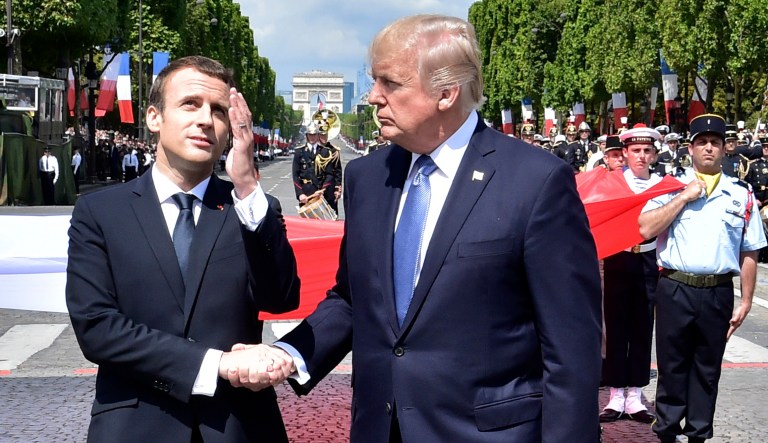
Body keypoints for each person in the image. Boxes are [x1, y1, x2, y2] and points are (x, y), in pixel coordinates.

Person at [234, 14, 602, 442]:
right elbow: (354, 299)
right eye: (374, 81)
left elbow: (571, 350)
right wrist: (289, 352)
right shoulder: (367, 178)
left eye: (390, 83)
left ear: (446, 93)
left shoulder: (536, 181)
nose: (372, 97)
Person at [65, 55, 301, 443]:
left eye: (219, 110)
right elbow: (97, 329)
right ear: (154, 118)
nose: (206, 119)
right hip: (135, 427)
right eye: (190, 104)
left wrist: (247, 188)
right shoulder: (100, 212)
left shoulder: (252, 207)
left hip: (239, 427)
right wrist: (215, 364)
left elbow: (280, 298)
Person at [639, 114, 766, 443]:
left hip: (717, 292)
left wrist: (747, 299)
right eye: (702, 142)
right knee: (671, 367)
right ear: (690, 149)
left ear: (724, 149)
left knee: (707, 371)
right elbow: (646, 229)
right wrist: (683, 198)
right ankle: (666, 432)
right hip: (675, 287)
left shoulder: (741, 194)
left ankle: (698, 435)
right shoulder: (670, 187)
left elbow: (749, 251)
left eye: (715, 143)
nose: (708, 148)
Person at [599, 127, 661, 425]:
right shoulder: (613, 183)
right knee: (615, 325)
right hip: (618, 256)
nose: (641, 156)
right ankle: (614, 394)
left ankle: (635, 394)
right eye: (635, 151)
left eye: (647, 151)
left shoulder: (663, 185)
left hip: (647, 258)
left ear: (654, 154)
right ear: (624, 153)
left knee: (641, 325)